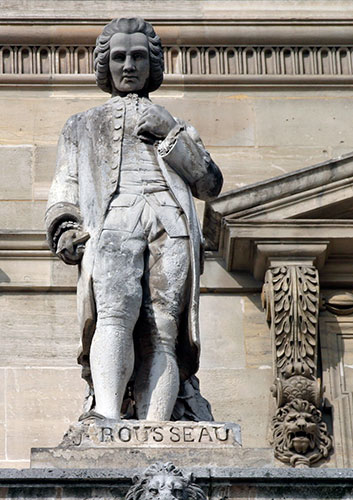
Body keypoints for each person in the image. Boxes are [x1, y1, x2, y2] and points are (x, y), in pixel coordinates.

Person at [46, 17, 223, 422]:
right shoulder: (80, 125)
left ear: (152, 65)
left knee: (164, 327)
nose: (129, 65)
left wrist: (170, 133)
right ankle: (107, 413)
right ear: (105, 65)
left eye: (139, 57)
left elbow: (208, 183)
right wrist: (65, 226)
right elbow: (65, 185)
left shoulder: (173, 123)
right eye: (120, 57)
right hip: (113, 219)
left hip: (170, 220)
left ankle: (156, 425)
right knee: (114, 313)